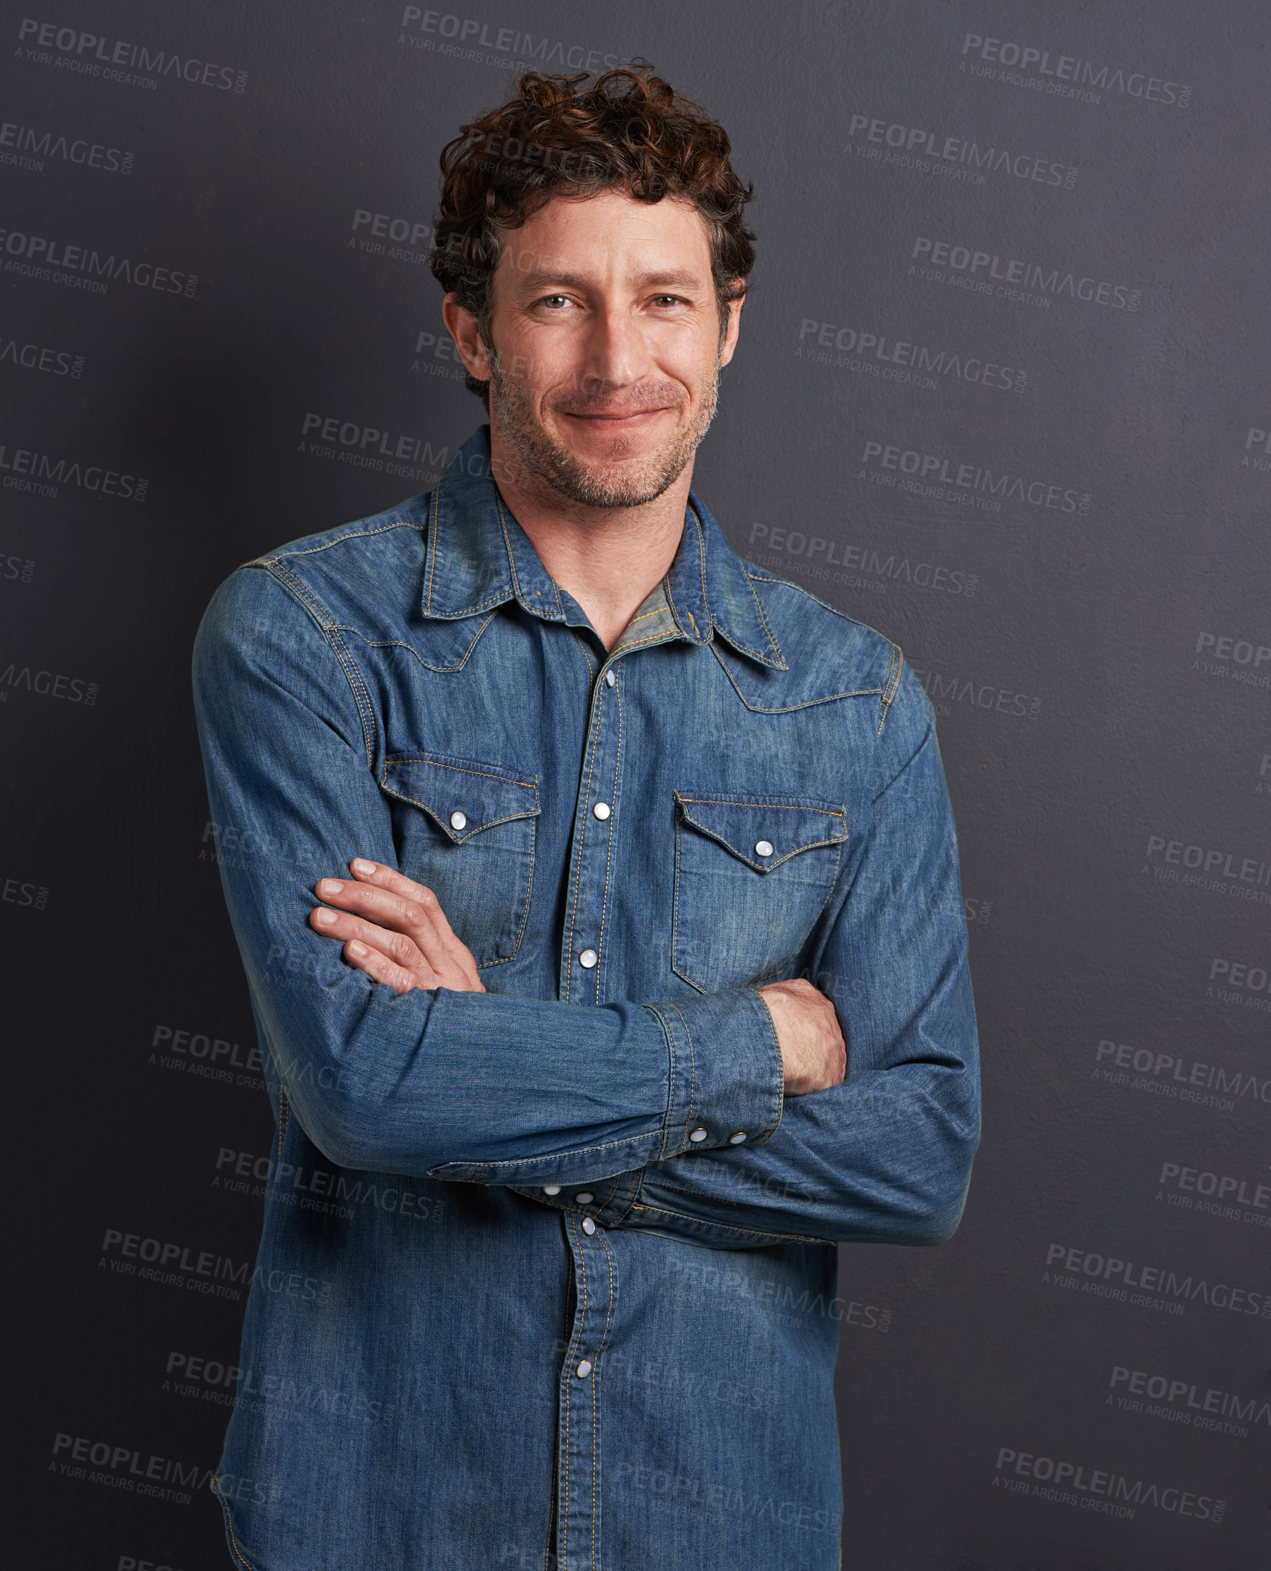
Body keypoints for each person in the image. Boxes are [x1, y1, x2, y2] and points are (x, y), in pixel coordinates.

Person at [192, 64, 980, 1571]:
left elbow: (916, 1156)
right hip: (379, 1521)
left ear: (731, 322)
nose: (620, 358)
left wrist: (481, 1070)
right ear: (473, 333)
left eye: (666, 301)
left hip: (724, 1526)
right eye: (559, 300)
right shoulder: (303, 638)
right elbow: (362, 1090)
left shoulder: (857, 702)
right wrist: (759, 1047)